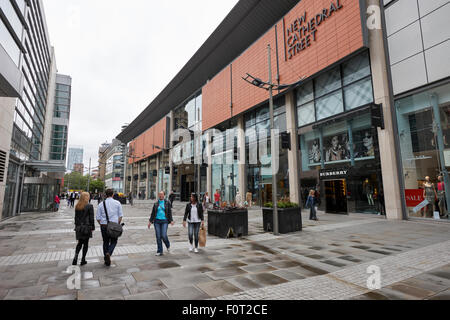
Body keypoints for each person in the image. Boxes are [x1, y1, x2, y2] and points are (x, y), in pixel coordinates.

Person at [96, 189, 124, 267]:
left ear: (105, 195)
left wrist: (102, 224)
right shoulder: (117, 203)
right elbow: (120, 216)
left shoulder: (101, 204)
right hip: (114, 226)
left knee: (105, 242)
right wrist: (117, 224)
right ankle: (109, 253)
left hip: (104, 225)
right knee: (114, 241)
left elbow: (98, 218)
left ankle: (106, 258)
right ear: (112, 195)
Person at [148, 191, 174, 256]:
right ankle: (160, 251)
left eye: (162, 194)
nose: (160, 196)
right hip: (157, 221)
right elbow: (153, 213)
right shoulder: (156, 203)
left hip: (164, 221)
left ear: (164, 195)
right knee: (158, 236)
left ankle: (168, 246)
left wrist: (171, 220)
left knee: (164, 235)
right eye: (159, 194)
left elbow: (169, 212)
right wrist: (150, 222)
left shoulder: (167, 203)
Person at [73, 192, 95, 266]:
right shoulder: (89, 206)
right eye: (88, 196)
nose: (89, 197)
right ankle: (83, 259)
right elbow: (91, 218)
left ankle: (75, 258)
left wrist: (77, 226)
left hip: (79, 227)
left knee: (79, 243)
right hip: (86, 227)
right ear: (86, 197)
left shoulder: (77, 206)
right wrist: (93, 227)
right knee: (85, 244)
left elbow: (76, 218)